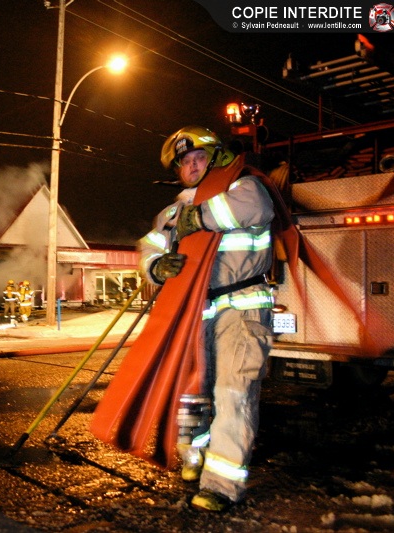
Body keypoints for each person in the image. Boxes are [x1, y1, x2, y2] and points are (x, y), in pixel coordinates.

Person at [140, 126, 275, 512]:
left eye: (199, 157)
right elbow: (149, 245)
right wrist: (155, 266)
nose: (193, 166)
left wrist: (199, 216)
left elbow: (255, 209)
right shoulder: (171, 212)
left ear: (216, 158)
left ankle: (221, 486)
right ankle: (193, 456)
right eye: (185, 162)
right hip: (195, 311)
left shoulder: (245, 187)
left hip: (241, 306)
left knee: (233, 393)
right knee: (190, 392)